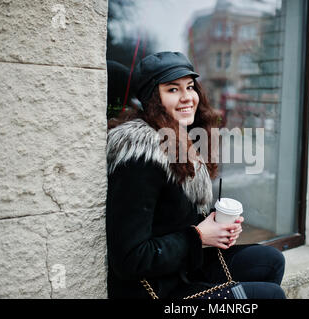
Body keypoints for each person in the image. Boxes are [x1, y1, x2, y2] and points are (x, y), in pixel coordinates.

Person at [105, 51, 286, 299]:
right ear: (152, 99)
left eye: (190, 87)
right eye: (172, 90)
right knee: (270, 295)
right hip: (158, 289)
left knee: (270, 260)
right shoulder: (140, 159)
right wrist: (199, 236)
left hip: (186, 267)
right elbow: (129, 259)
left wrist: (217, 228)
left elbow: (172, 218)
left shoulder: (181, 140)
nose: (187, 97)